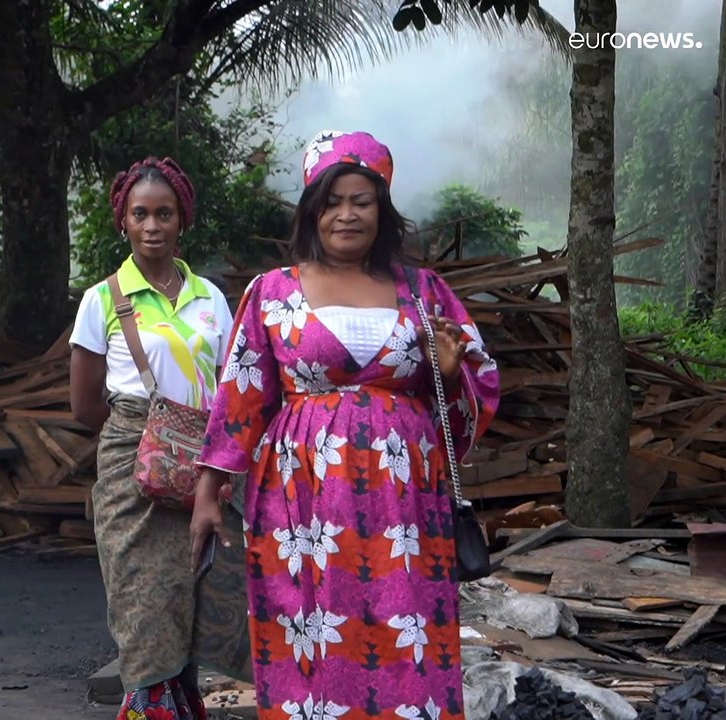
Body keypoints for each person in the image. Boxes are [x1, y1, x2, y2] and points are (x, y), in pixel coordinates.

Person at [191, 130, 501, 720]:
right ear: (312, 210)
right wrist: (208, 493)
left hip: (404, 501)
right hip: (301, 501)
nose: (346, 214)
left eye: (361, 200)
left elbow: (479, 386)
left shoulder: (424, 292)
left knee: (405, 624)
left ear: (382, 211)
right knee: (311, 627)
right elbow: (240, 395)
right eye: (332, 201)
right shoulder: (271, 293)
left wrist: (452, 370)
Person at [70, 156, 250, 720]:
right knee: (144, 597)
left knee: (196, 595)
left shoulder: (211, 300)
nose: (152, 226)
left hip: (207, 465)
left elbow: (231, 388)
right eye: (140, 214)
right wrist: (145, 440)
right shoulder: (101, 300)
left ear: (182, 220)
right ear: (122, 221)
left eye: (164, 214)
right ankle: (150, 704)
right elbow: (84, 404)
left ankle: (182, 700)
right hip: (132, 471)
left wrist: (190, 445)